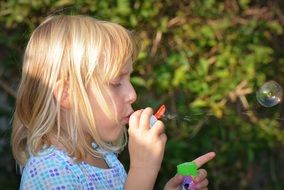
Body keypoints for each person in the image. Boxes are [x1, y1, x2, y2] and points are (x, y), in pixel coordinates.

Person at [11, 15, 215, 189]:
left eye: (129, 80)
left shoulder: (104, 157)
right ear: (67, 94)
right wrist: (143, 169)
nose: (133, 94)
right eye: (116, 82)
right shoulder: (49, 173)